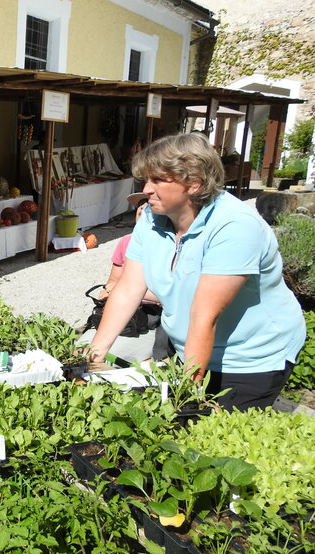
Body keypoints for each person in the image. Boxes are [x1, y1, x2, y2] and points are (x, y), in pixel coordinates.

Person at [88, 133, 305, 410]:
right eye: (146, 180)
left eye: (157, 180)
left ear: (194, 184)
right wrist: (93, 357)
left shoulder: (234, 226)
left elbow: (205, 315)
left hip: (249, 356)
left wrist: (185, 396)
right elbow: (129, 289)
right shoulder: (153, 218)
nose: (147, 189)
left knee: (214, 435)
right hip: (191, 347)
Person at [79, 194, 167, 363]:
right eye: (140, 205)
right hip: (123, 313)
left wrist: (130, 291)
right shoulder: (126, 242)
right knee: (79, 350)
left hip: (151, 320)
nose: (142, 208)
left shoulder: (170, 245)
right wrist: (108, 292)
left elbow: (173, 295)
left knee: (111, 357)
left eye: (148, 204)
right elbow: (112, 282)